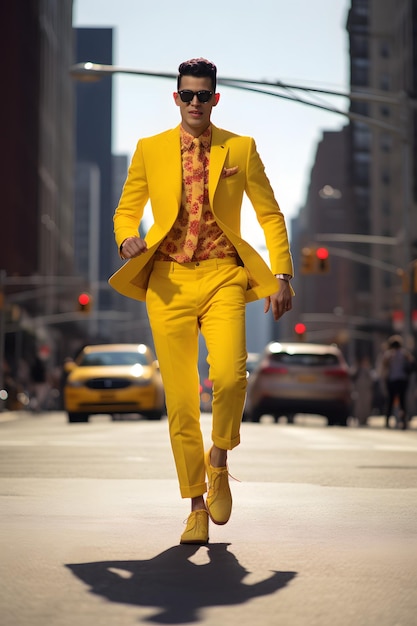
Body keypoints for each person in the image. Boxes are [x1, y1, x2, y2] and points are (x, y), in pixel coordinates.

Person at [109, 58, 294, 544]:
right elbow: (127, 210)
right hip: (166, 281)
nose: (196, 103)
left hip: (223, 277)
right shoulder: (150, 150)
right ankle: (195, 505)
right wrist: (126, 237)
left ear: (216, 98)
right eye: (187, 95)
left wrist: (283, 272)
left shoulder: (241, 148)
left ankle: (220, 459)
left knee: (231, 377)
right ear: (176, 98)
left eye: (204, 95)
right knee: (182, 401)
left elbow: (270, 214)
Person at [381, 335, 415, 429]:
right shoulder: (404, 354)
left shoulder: (388, 354)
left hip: (392, 380)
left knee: (391, 400)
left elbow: (384, 367)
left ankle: (387, 421)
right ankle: (403, 421)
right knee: (402, 401)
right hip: (403, 380)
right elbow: (412, 362)